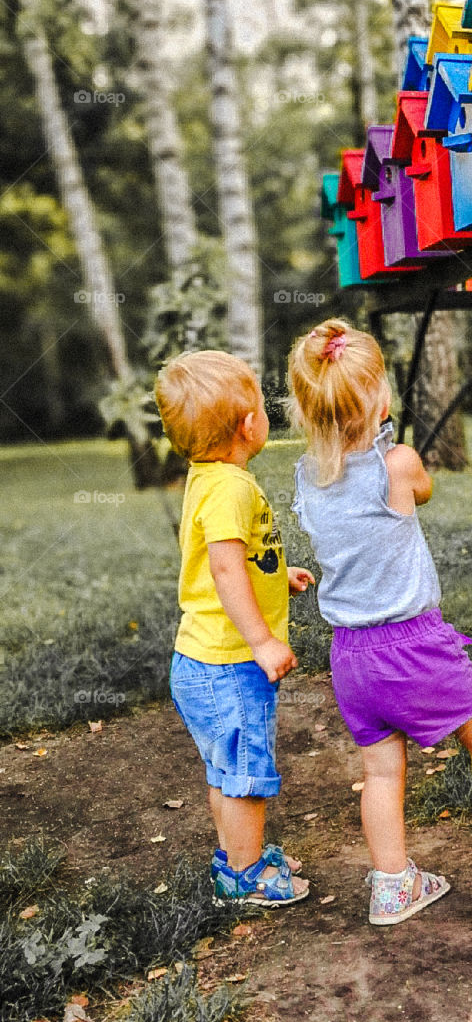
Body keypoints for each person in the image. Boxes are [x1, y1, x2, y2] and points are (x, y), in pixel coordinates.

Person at [287, 319, 472, 926]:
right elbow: (424, 492)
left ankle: (392, 886)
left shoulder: (306, 481)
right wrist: (390, 444)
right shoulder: (399, 463)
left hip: (350, 657)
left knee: (381, 769)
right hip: (411, 645)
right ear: (380, 399)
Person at [155, 350, 315, 907]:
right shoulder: (232, 489)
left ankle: (234, 859)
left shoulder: (207, 479)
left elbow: (232, 560)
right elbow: (224, 567)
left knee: (225, 767)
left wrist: (276, 573)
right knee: (246, 770)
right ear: (249, 425)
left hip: (199, 661)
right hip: (229, 664)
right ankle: (247, 877)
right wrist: (263, 640)